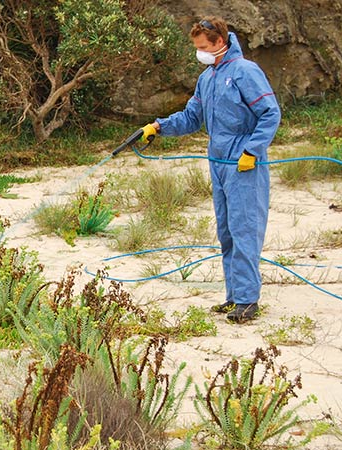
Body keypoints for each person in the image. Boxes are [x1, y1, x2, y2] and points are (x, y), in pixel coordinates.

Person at [141, 16, 281, 323]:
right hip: (218, 162)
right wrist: (158, 127)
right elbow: (192, 117)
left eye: (203, 47)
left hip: (244, 163)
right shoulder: (208, 77)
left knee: (245, 230)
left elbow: (270, 114)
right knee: (227, 232)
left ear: (220, 42)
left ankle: (248, 301)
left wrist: (252, 150)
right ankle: (234, 297)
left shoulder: (245, 71)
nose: (199, 52)